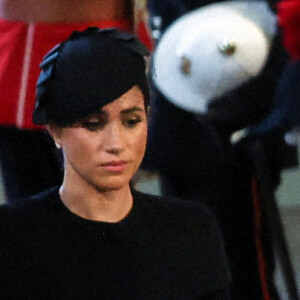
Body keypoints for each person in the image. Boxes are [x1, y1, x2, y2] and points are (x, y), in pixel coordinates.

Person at [0, 27, 230, 299]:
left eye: (132, 122)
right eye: (94, 125)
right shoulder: (13, 236)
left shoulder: (190, 229)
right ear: (55, 129)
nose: (116, 143)